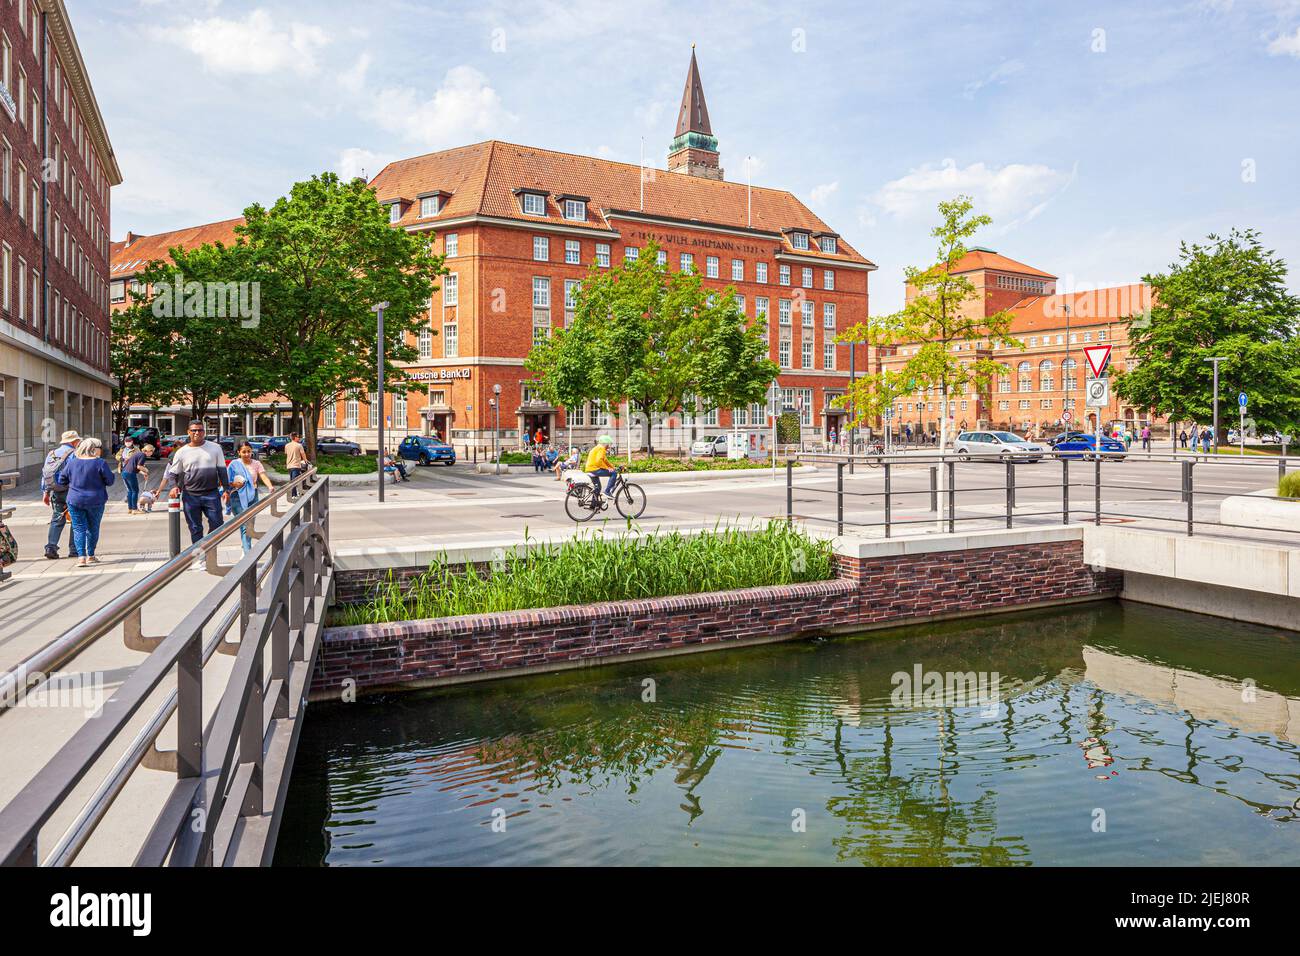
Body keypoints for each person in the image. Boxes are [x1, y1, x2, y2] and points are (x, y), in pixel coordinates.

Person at [164, 421, 233, 547]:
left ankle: (205, 547)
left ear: (204, 432)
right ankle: (199, 556)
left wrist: (227, 489)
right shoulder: (181, 452)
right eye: (194, 430)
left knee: (218, 524)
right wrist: (173, 487)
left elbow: (222, 470)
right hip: (190, 495)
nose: (197, 433)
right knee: (195, 528)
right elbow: (172, 473)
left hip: (211, 494)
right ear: (188, 432)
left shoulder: (215, 448)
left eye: (200, 430)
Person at [54, 437, 115, 568]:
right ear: (94, 449)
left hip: (75, 500)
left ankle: (81, 557)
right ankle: (91, 555)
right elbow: (110, 481)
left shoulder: (72, 463)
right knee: (93, 528)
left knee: (78, 528)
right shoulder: (100, 463)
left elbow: (61, 480)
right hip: (96, 500)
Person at [227, 441, 275, 552]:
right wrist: (235, 484)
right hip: (237, 497)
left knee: (249, 524)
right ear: (239, 452)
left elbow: (263, 476)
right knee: (244, 525)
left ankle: (245, 546)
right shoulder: (234, 464)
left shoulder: (256, 463)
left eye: (249, 451)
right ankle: (247, 552)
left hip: (253, 495)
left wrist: (270, 487)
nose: (247, 454)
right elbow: (227, 481)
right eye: (244, 452)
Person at [41, 430, 82, 559]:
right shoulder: (75, 454)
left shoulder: (52, 454)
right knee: (76, 518)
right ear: (73, 442)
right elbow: (78, 473)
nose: (78, 442)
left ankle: (51, 547)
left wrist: (45, 492)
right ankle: (74, 549)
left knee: (57, 518)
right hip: (72, 490)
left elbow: (45, 474)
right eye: (77, 441)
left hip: (56, 491)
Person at [584, 434, 619, 500]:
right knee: (614, 473)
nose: (609, 446)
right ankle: (607, 491)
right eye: (609, 444)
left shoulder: (597, 448)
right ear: (605, 444)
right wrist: (607, 468)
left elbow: (605, 460)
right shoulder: (601, 448)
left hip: (590, 469)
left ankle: (594, 505)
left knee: (598, 488)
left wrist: (612, 467)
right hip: (594, 469)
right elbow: (599, 460)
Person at [120, 439, 148, 513]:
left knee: (130, 491)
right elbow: (139, 467)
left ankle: (130, 508)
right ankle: (135, 509)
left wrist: (143, 473)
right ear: (149, 451)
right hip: (130, 473)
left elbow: (135, 466)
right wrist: (146, 470)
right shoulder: (143, 455)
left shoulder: (137, 453)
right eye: (152, 452)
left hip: (124, 472)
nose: (151, 454)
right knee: (135, 491)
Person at [284, 432, 308, 497]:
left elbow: (286, 453)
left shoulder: (287, 445)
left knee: (292, 480)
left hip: (289, 465)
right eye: (298, 437)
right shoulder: (299, 445)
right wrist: (305, 461)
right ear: (295, 438)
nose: (299, 438)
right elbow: (303, 454)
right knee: (295, 481)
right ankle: (293, 494)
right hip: (296, 465)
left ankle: (294, 493)